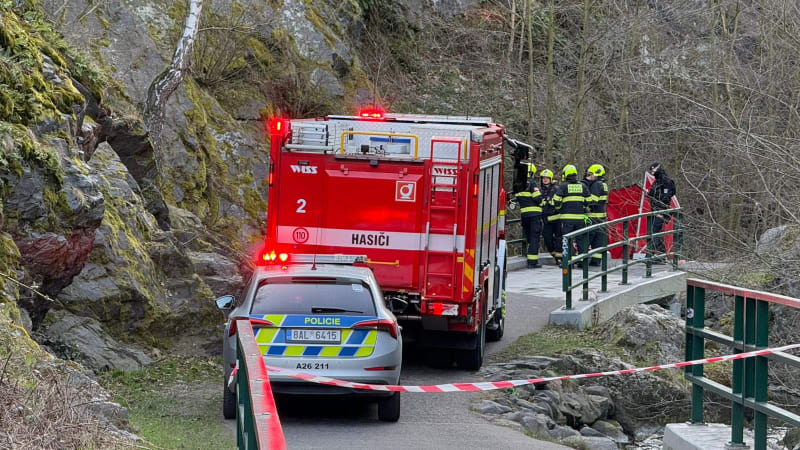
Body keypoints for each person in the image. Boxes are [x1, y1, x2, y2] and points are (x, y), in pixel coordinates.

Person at [553, 164, 590, 264]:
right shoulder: (583, 186)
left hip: (566, 219)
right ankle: (582, 262)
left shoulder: (563, 186)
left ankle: (568, 261)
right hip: (580, 219)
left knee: (567, 240)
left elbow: (556, 201)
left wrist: (558, 208)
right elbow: (588, 200)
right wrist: (581, 207)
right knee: (580, 240)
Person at [646, 162, 676, 263]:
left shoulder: (665, 181)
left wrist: (661, 212)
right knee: (655, 232)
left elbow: (666, 198)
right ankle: (658, 255)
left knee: (655, 232)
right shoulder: (657, 181)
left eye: (653, 170)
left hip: (661, 211)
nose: (652, 172)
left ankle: (654, 255)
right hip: (655, 210)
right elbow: (653, 194)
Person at [516, 162, 543, 268]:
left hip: (524, 215)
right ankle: (532, 262)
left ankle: (528, 255)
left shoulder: (518, 184)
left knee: (528, 236)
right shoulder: (532, 183)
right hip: (535, 215)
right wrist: (543, 203)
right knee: (534, 237)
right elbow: (537, 198)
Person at [584, 164, 609, 266]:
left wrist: (584, 202)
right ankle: (596, 260)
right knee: (599, 240)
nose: (589, 177)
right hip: (601, 217)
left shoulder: (596, 184)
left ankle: (582, 260)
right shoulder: (603, 184)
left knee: (588, 238)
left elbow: (593, 200)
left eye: (591, 174)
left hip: (593, 216)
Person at [539, 169, 561, 264]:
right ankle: (554, 254)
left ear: (550, 179)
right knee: (547, 239)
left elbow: (557, 202)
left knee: (559, 238)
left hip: (557, 218)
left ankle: (559, 258)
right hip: (546, 219)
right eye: (543, 178)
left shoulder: (556, 189)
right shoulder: (539, 190)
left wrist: (547, 202)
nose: (545, 180)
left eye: (547, 178)